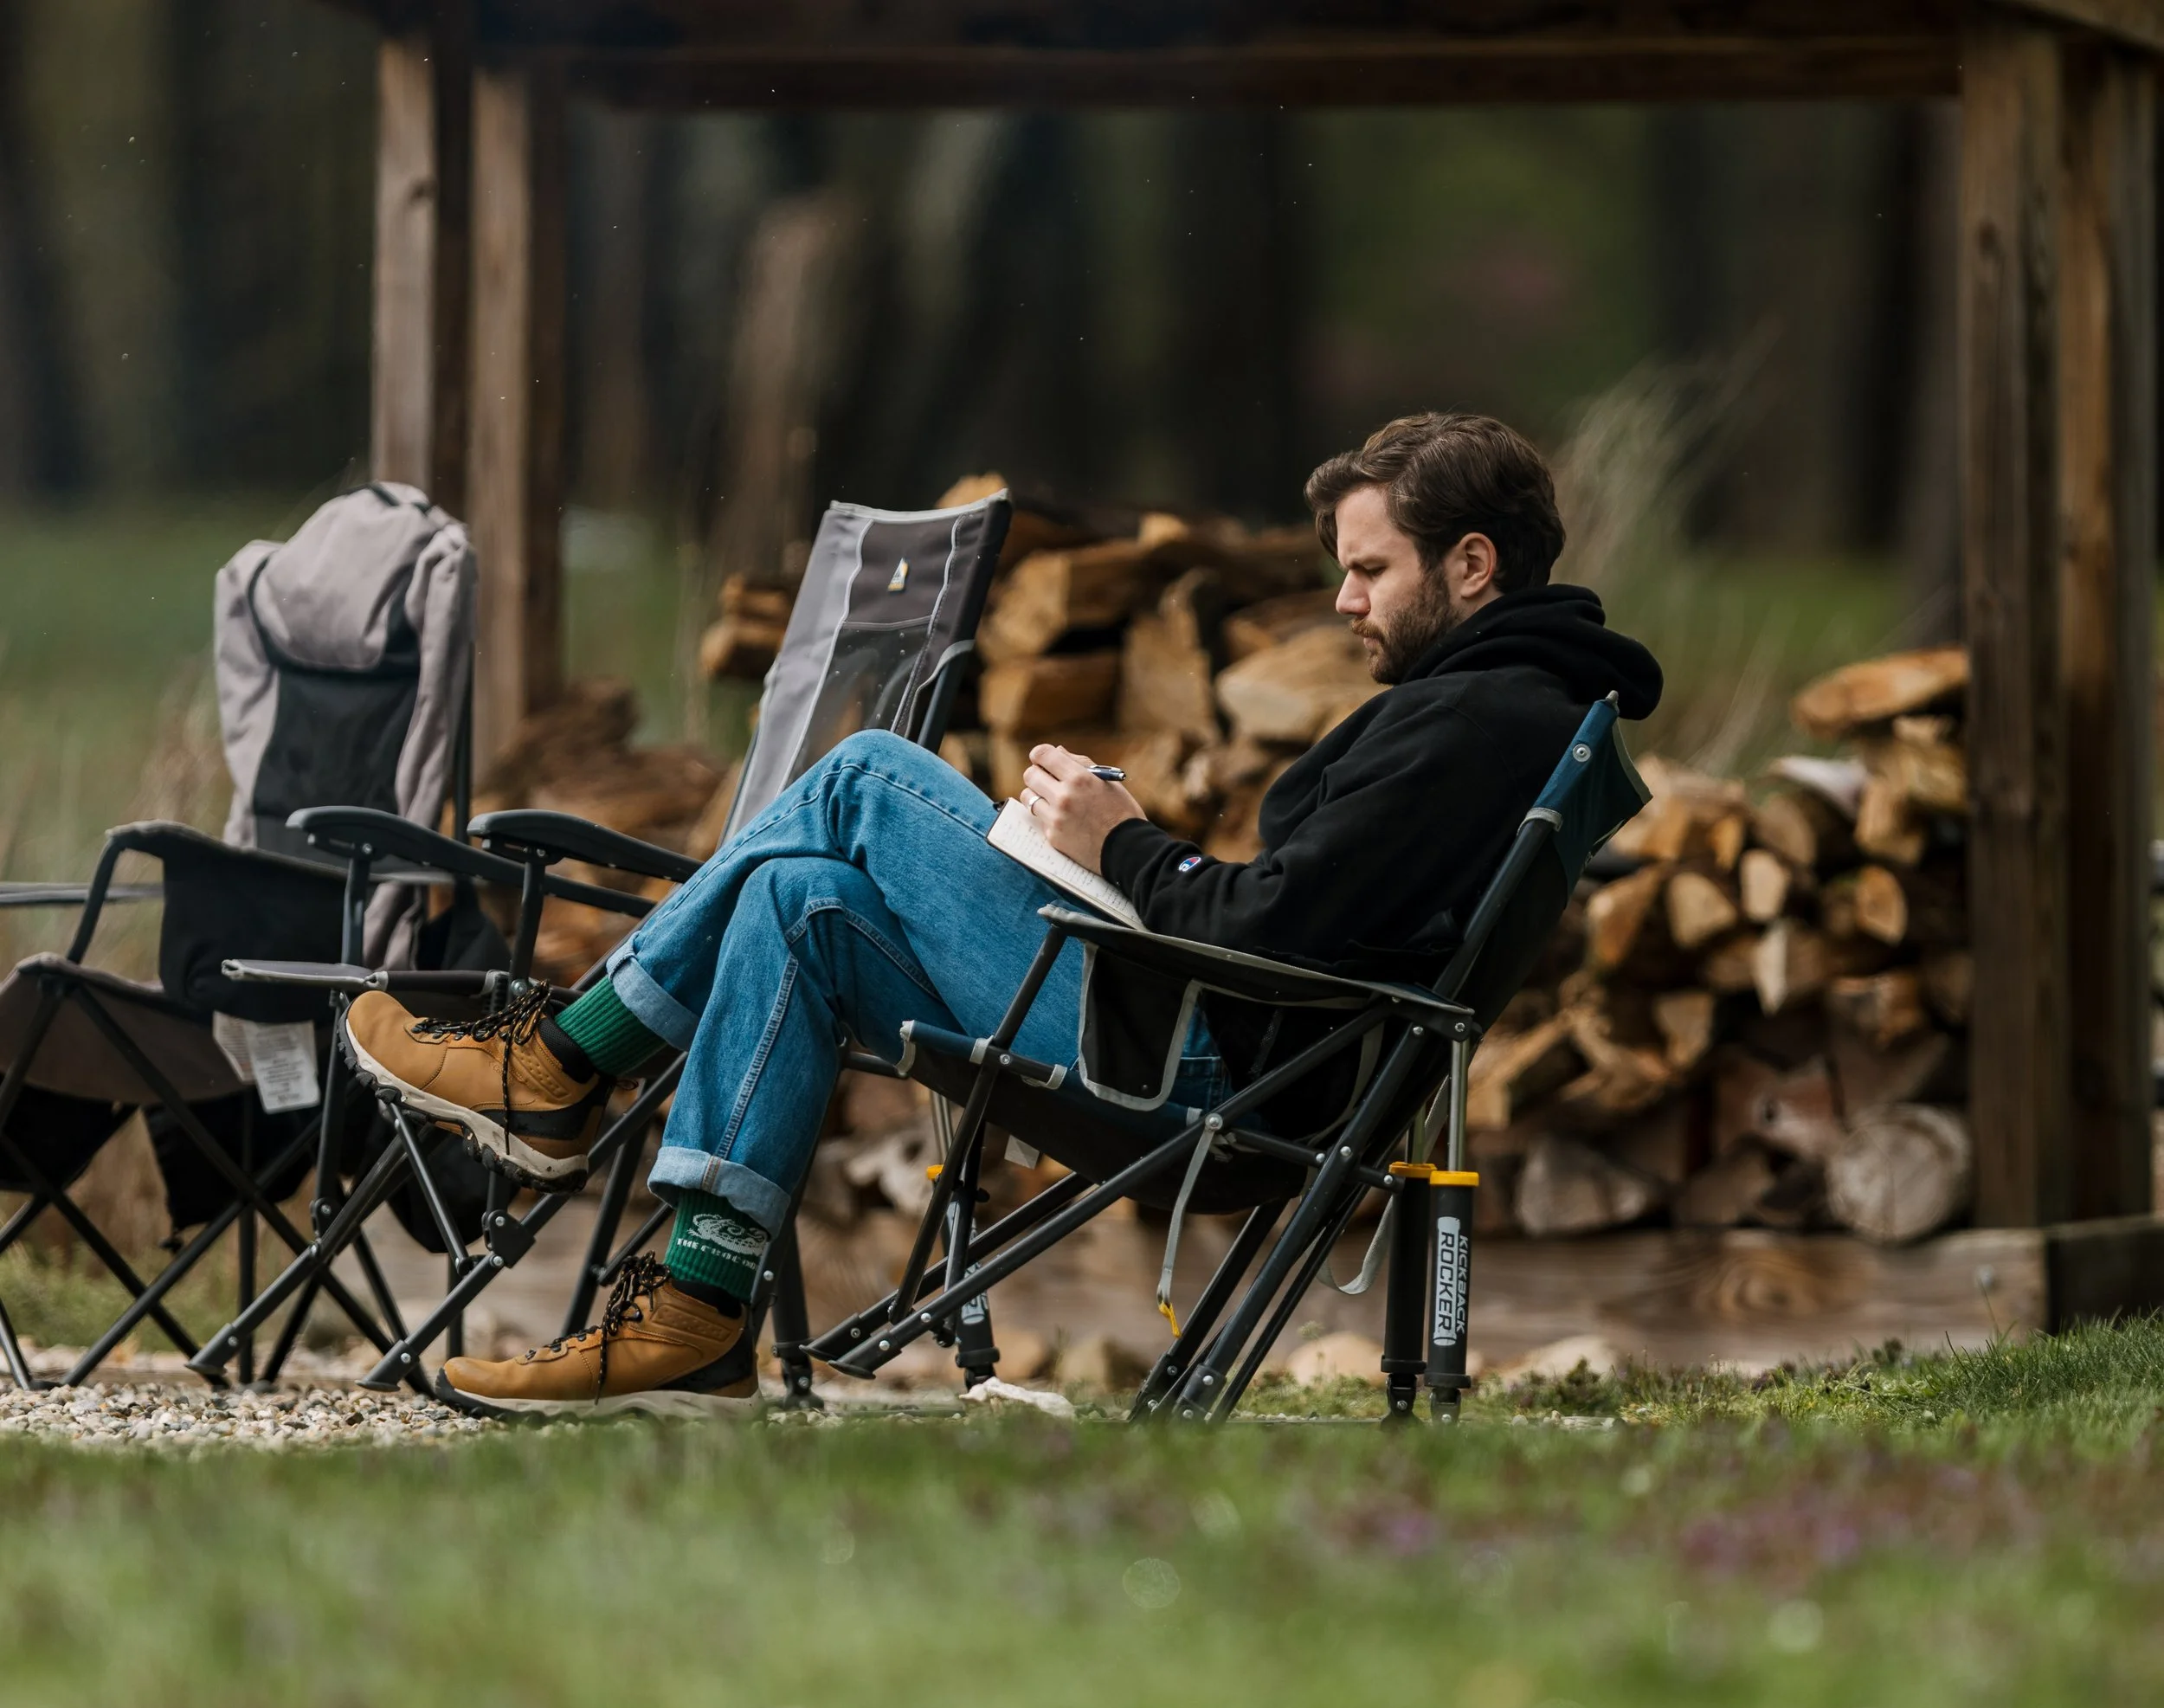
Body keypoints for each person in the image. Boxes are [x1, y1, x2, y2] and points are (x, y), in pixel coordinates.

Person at [344, 411, 1663, 1417]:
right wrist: (1116, 856)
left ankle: (558, 1065)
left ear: (1472, 563)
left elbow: (1266, 933)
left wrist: (1118, 841)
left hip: (1202, 1063)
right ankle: (696, 1300)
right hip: (1236, 1045)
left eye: (1372, 570)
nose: (1343, 600)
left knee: (861, 775)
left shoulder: (1478, 717)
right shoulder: (1511, 708)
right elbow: (1307, 917)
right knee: (798, 898)